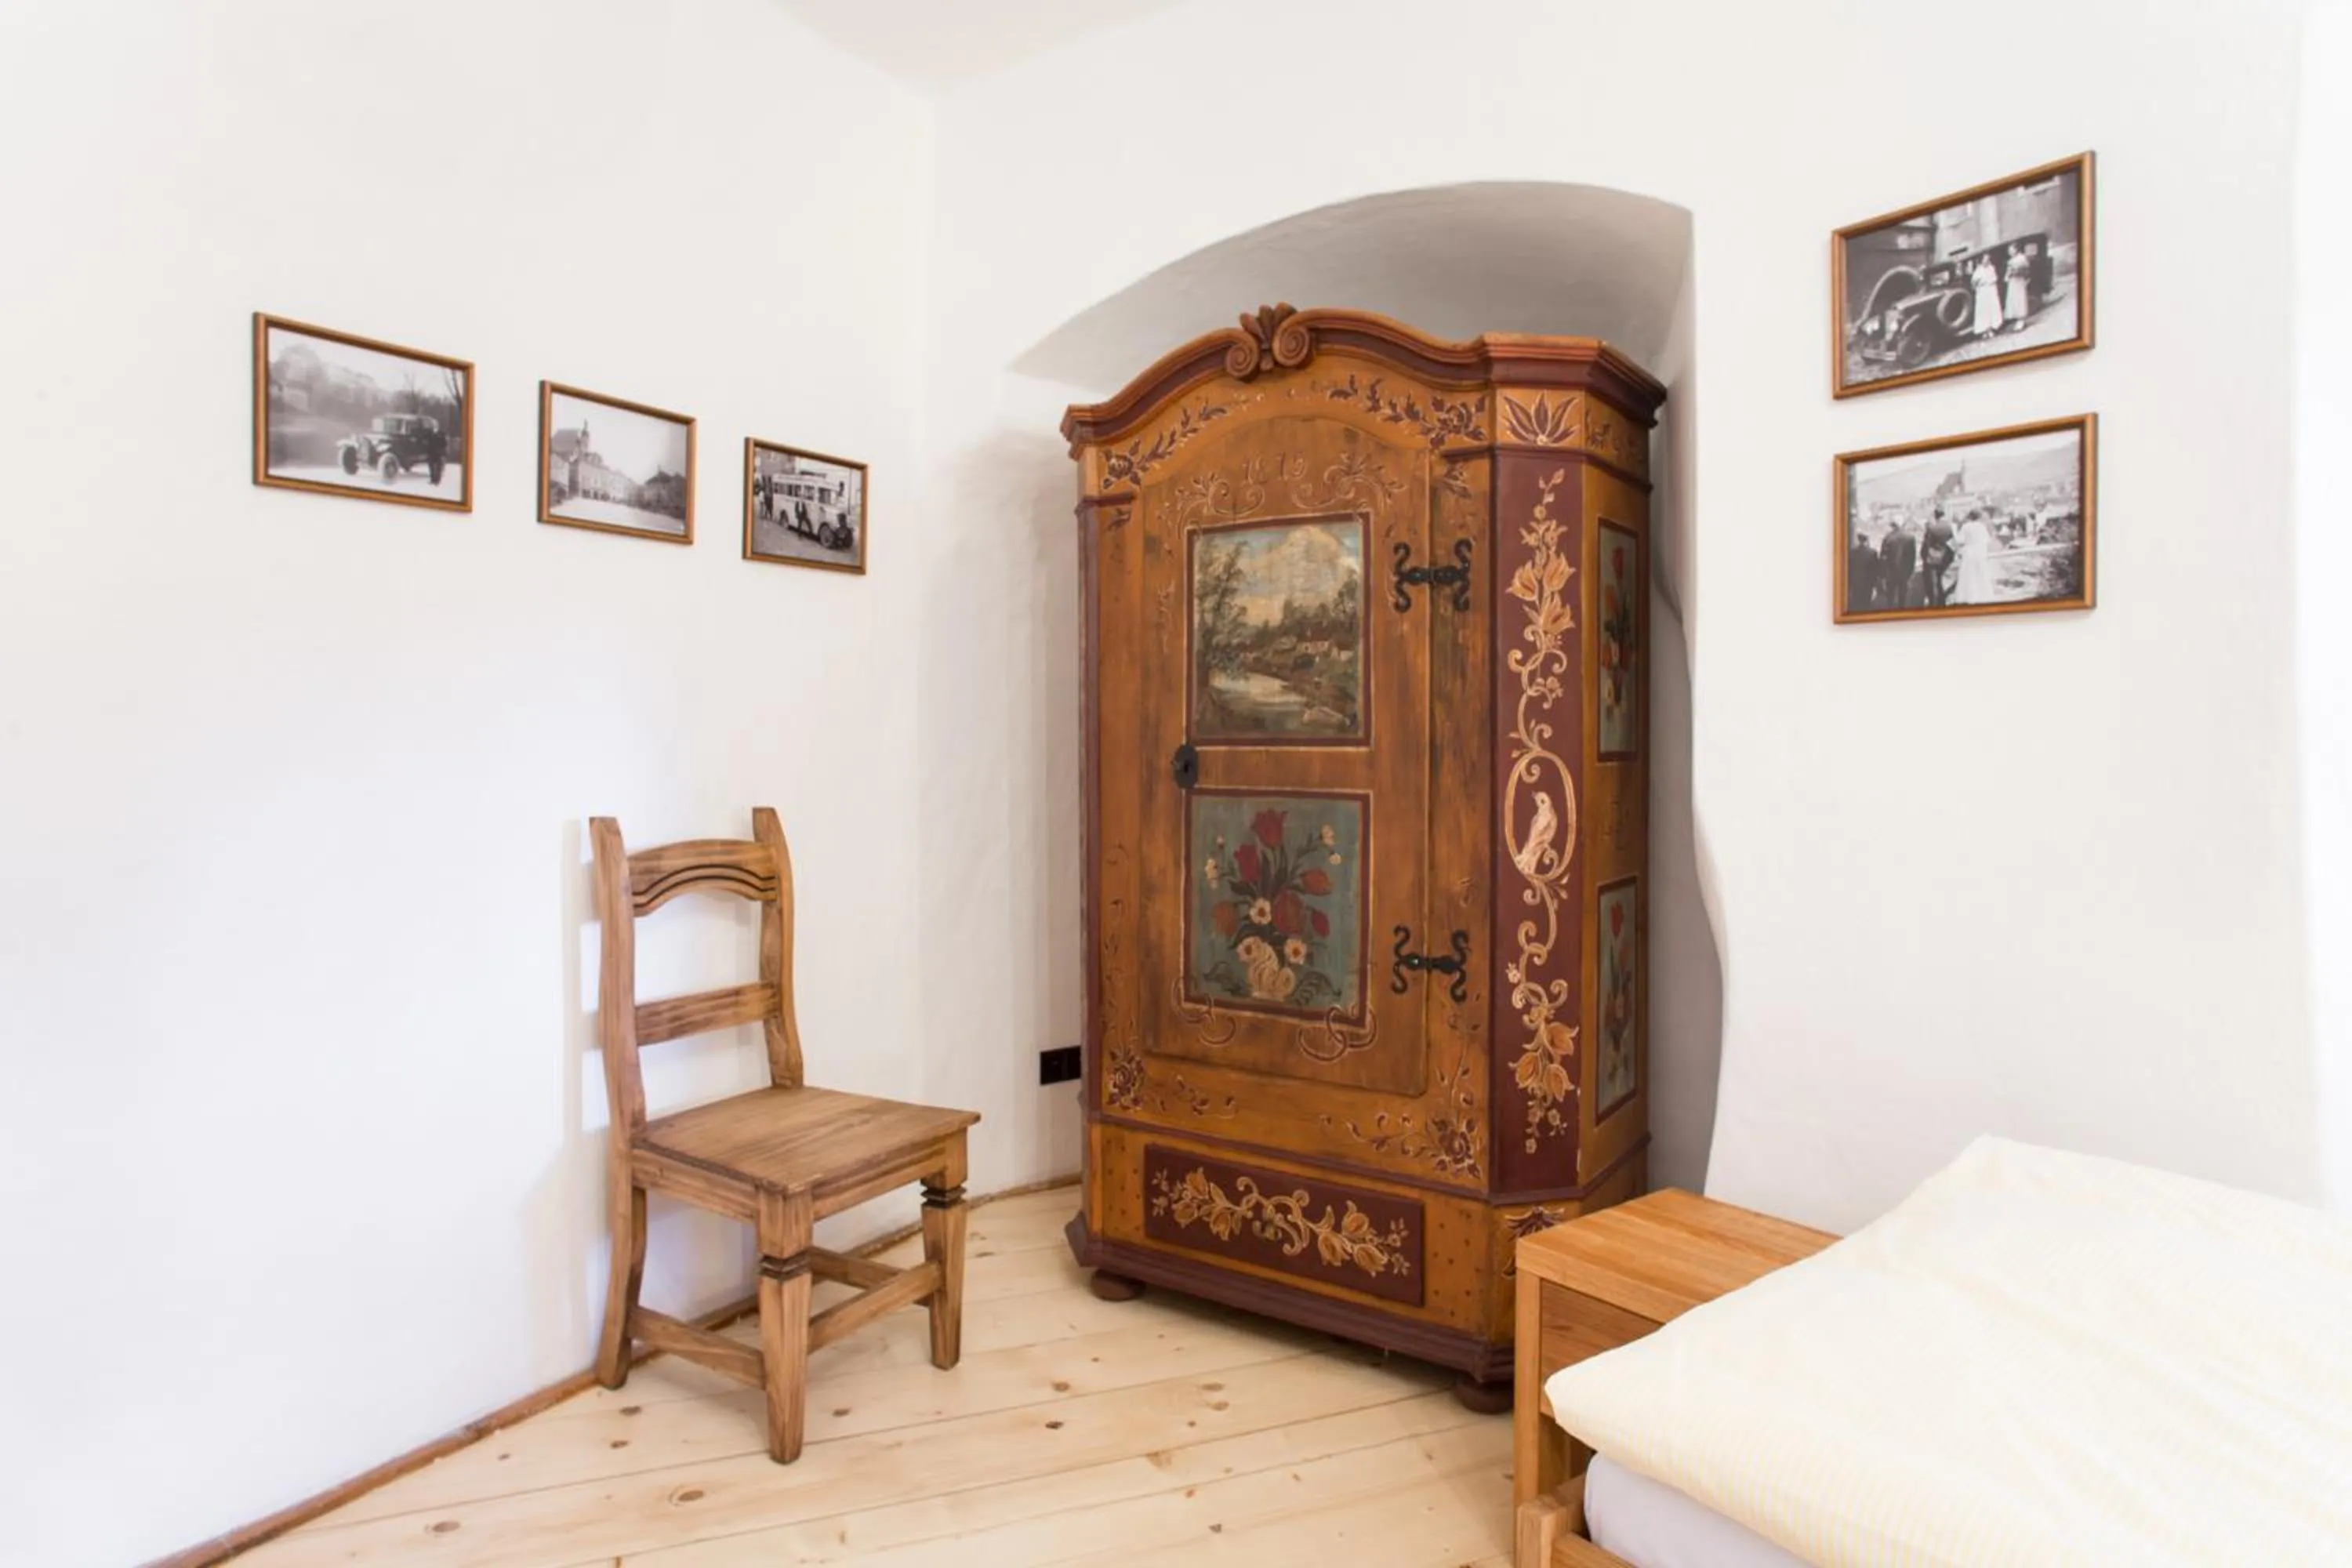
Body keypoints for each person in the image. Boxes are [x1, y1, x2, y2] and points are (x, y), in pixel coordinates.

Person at [1952, 510, 1997, 604]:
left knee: (1969, 575)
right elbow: (1987, 540)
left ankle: (1969, 597)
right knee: (1981, 574)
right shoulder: (1982, 527)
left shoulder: (1966, 527)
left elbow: (1960, 540)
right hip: (1981, 552)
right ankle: (1983, 596)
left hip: (1969, 553)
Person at [1879, 518, 1921, 611]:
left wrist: (1882, 575)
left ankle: (1890, 613)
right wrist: (1911, 571)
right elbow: (1912, 557)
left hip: (1891, 572)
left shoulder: (1888, 538)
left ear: (1893, 525)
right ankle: (1901, 613)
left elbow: (1883, 558)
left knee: (1890, 597)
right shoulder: (1911, 538)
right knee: (1902, 596)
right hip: (1905, 572)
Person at [1921, 509, 1957, 607]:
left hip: (1932, 559)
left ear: (1935, 516)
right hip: (1945, 558)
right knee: (1941, 582)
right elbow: (1952, 543)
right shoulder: (1949, 527)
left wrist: (1923, 556)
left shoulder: (1932, 528)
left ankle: (1935, 604)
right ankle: (1942, 602)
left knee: (1934, 584)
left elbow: (1926, 545)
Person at [1848, 530, 1882, 615]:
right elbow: (1876, 569)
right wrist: (1875, 583)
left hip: (1855, 581)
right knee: (1866, 601)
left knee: (1856, 601)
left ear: (1858, 539)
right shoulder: (1872, 552)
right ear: (1867, 540)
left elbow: (1850, 567)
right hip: (1868, 582)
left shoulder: (1852, 552)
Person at [1970, 253, 2003, 339]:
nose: (1987, 261)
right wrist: (1979, 284)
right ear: (1982, 260)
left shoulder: (1992, 268)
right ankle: (1984, 330)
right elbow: (1974, 283)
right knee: (1983, 311)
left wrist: (1990, 282)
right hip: (1982, 293)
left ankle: (1991, 329)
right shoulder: (1978, 270)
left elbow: (1995, 278)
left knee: (1991, 309)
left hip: (1991, 291)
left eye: (1988, 259)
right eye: (1985, 259)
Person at [2003, 245, 2033, 332]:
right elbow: (2008, 272)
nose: (2010, 252)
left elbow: (2026, 269)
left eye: (2012, 250)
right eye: (2009, 251)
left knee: (2020, 299)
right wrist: (2007, 276)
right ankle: (2018, 319)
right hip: (2013, 282)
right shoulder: (2010, 261)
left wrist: (2017, 272)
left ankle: (2021, 320)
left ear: (2016, 250)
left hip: (2019, 281)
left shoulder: (2022, 258)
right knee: (2014, 299)